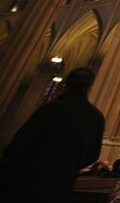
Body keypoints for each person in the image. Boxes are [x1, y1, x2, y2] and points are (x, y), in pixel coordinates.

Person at [0, 67, 105, 203]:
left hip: (31, 179)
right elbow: (93, 154)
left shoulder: (50, 109)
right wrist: (69, 166)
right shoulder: (96, 117)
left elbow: (21, 143)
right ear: (90, 88)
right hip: (62, 184)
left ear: (65, 86)